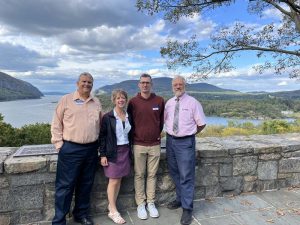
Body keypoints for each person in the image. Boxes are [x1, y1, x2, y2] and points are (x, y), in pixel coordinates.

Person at [51, 72, 102, 225]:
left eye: (90, 82)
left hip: (91, 149)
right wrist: (59, 145)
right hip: (70, 149)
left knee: (86, 184)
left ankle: (81, 215)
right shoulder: (66, 100)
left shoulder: (96, 102)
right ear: (77, 83)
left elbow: (100, 126)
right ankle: (59, 220)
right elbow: (56, 123)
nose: (87, 84)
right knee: (65, 187)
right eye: (84, 81)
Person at [164, 75, 206, 225]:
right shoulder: (169, 103)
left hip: (185, 143)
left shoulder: (193, 102)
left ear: (185, 85)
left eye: (180, 84)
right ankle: (180, 199)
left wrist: (189, 134)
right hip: (170, 141)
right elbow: (166, 121)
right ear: (172, 86)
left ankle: (187, 209)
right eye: (175, 84)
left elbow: (201, 124)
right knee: (174, 172)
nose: (178, 86)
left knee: (186, 175)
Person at [127, 73, 165, 220]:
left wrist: (155, 134)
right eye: (142, 82)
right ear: (139, 84)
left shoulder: (159, 101)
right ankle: (141, 204)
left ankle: (150, 202)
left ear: (151, 84)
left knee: (152, 175)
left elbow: (161, 123)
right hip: (138, 144)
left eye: (147, 83)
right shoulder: (133, 102)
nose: (145, 85)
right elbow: (130, 123)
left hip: (155, 144)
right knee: (139, 175)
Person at [99, 89, 132, 224]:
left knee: (118, 180)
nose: (121, 100)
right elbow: (102, 137)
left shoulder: (128, 115)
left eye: (123, 98)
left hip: (125, 151)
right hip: (113, 152)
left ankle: (111, 206)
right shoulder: (108, 117)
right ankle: (113, 211)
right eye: (118, 98)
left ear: (125, 100)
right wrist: (103, 154)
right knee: (113, 180)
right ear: (114, 100)